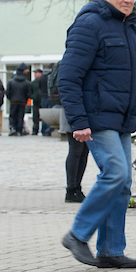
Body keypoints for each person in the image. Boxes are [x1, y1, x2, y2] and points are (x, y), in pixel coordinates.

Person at [59, 0, 136, 268]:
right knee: (114, 173)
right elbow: (68, 77)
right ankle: (77, 234)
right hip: (96, 117)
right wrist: (78, 122)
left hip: (122, 119)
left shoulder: (129, 28)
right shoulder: (89, 24)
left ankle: (111, 250)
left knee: (123, 182)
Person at [48, 62, 88, 203]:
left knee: (83, 151)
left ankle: (76, 188)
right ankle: (71, 189)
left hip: (81, 111)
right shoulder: (71, 63)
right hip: (73, 112)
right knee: (76, 151)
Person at [7, 66, 31, 136]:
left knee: (12, 115)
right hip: (22, 101)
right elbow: (29, 93)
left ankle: (12, 129)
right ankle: (19, 130)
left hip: (13, 101)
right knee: (20, 116)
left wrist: (11, 99)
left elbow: (8, 92)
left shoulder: (11, 81)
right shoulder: (27, 82)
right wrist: (25, 99)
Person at [31, 68, 51, 136]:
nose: (35, 74)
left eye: (36, 73)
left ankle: (44, 130)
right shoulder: (33, 82)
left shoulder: (42, 79)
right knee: (37, 117)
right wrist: (33, 97)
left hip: (42, 99)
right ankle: (36, 130)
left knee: (44, 116)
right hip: (37, 101)